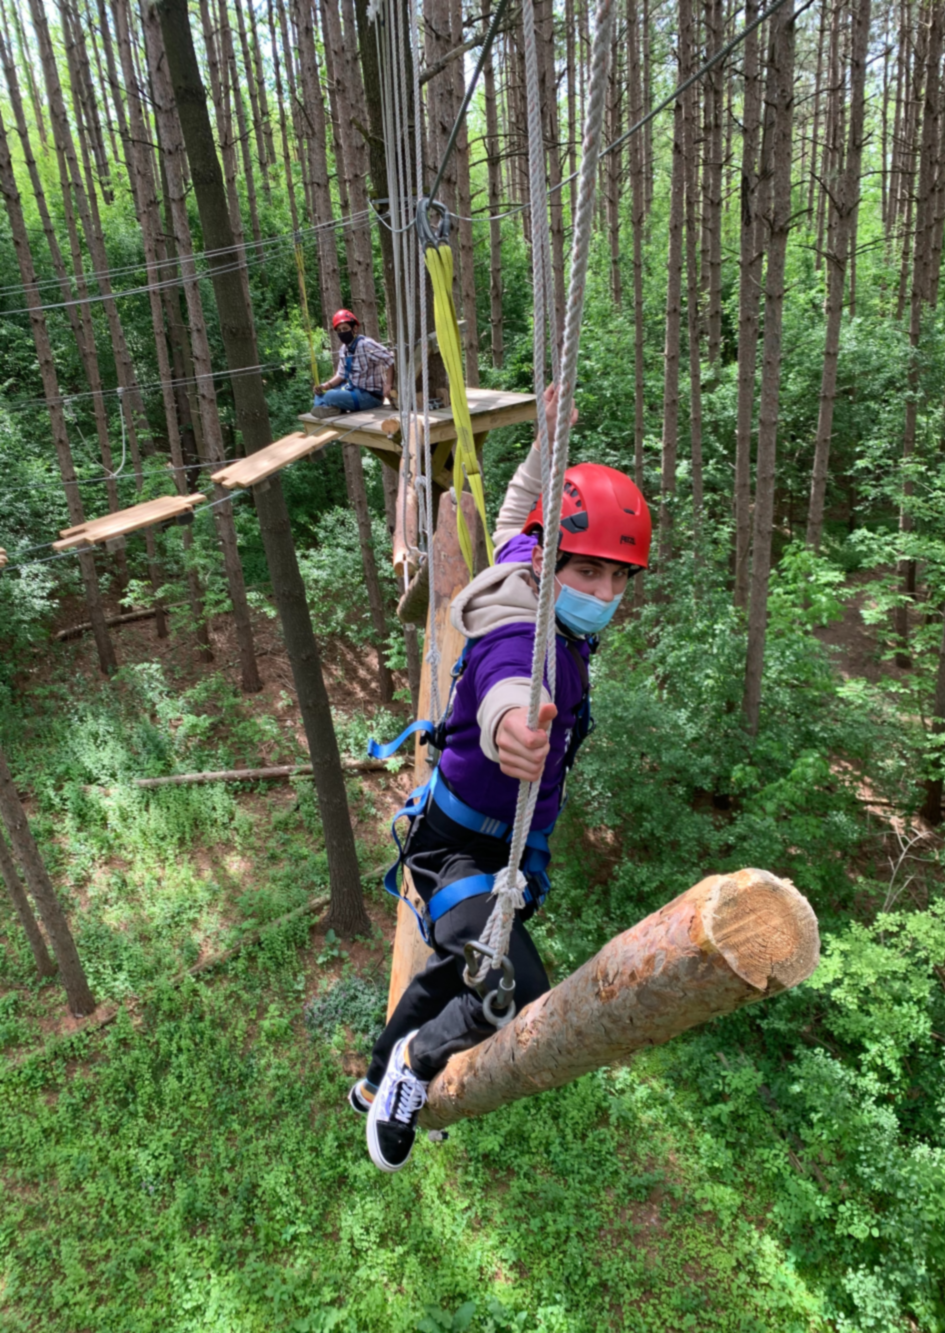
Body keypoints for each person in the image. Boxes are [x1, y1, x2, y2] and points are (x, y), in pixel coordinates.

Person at [353, 385, 652, 1172]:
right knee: (511, 987)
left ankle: (375, 1071)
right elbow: (507, 694)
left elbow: (523, 503)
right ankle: (415, 1069)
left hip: (491, 851)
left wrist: (544, 441)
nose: (604, 595)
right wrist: (514, 735)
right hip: (457, 851)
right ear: (554, 557)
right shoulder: (524, 637)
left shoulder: (528, 563)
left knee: (456, 967)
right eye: (589, 573)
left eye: (619, 579)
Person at [311, 309, 394, 419]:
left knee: (329, 396)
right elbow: (341, 375)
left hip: (370, 396)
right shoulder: (344, 350)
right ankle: (329, 409)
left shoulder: (365, 344)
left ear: (354, 328)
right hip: (353, 390)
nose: (342, 333)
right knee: (320, 393)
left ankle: (330, 408)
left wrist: (388, 385)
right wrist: (325, 386)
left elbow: (389, 359)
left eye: (345, 329)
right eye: (339, 330)